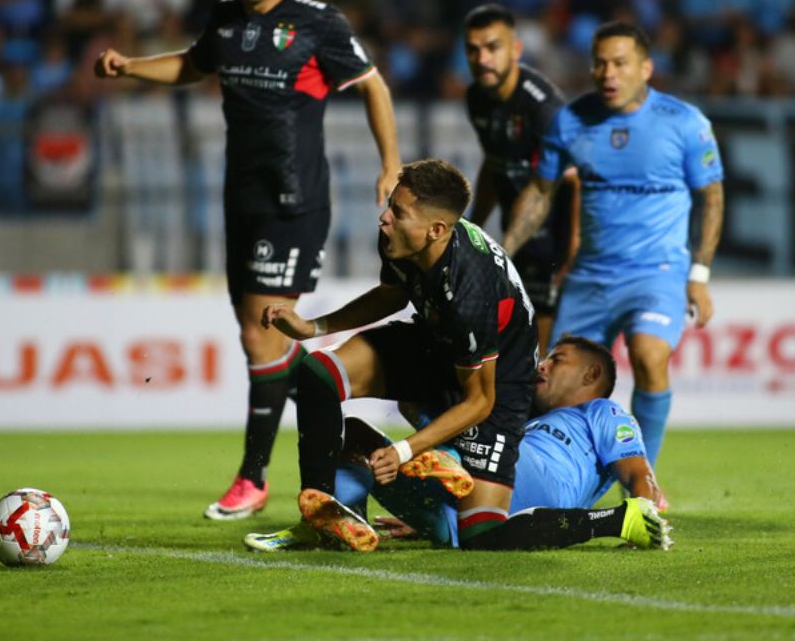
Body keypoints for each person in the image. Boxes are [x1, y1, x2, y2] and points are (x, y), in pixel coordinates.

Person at [94, 0, 401, 521]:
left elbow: (373, 85)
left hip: (296, 200)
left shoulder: (318, 23)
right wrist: (132, 66)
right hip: (243, 199)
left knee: (262, 330)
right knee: (255, 335)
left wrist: (390, 165)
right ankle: (328, 431)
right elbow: (192, 63)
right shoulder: (227, 18)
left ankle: (254, 477)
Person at [257, 159, 670, 552]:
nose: (384, 218)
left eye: (397, 211)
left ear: (436, 229)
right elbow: (393, 293)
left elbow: (481, 400)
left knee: (483, 534)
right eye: (390, 206)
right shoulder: (402, 239)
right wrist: (314, 327)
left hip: (498, 381)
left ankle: (450, 457)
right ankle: (326, 516)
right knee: (319, 373)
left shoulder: (471, 291)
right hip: (438, 341)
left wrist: (405, 450)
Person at [503, 21, 725, 472]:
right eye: (600, 63)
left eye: (620, 63)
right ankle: (548, 475)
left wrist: (699, 276)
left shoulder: (684, 123)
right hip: (590, 277)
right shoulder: (572, 120)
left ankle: (646, 483)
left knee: (647, 355)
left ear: (645, 68)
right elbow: (542, 192)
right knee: (555, 387)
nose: (608, 73)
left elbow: (712, 197)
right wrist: (501, 252)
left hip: (657, 273)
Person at [243, 334, 667, 551]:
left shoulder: (602, 414)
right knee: (351, 431)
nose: (543, 364)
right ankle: (349, 517)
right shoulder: (527, 420)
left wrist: (645, 512)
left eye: (558, 360)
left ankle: (445, 454)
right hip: (462, 510)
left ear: (590, 377)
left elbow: (638, 474)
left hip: (539, 486)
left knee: (472, 405)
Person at [462, 3, 579, 355]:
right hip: (521, 235)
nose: (482, 58)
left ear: (515, 49)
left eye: (492, 47)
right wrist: (474, 227)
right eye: (473, 49)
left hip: (558, 241)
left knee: (543, 352)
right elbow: (494, 164)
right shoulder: (477, 99)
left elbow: (578, 180)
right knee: (518, 349)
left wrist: (572, 255)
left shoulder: (543, 109)